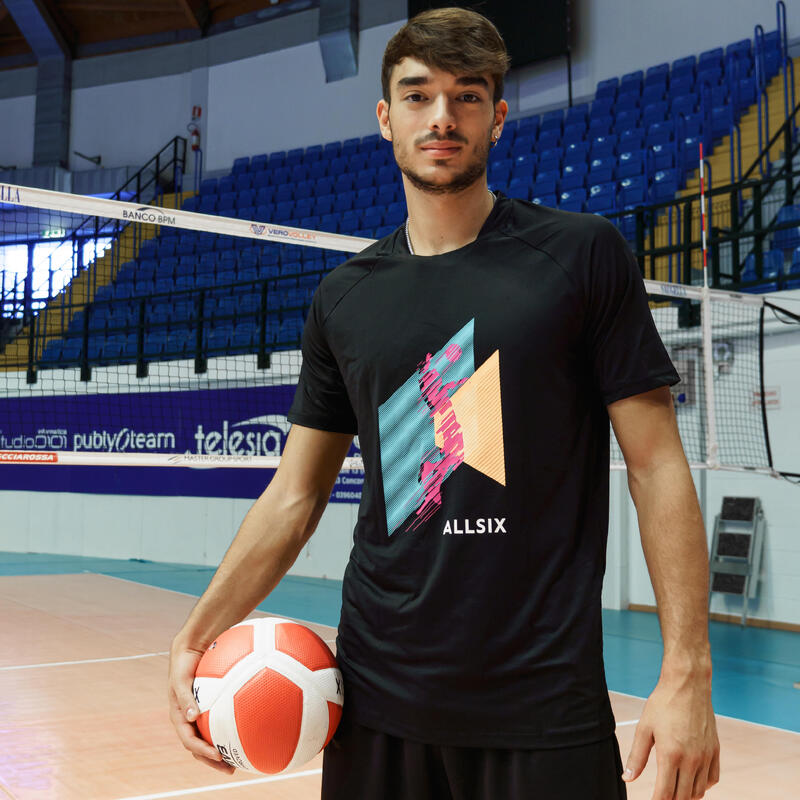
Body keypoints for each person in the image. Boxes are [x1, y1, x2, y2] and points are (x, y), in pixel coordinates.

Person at [168, 8, 720, 799]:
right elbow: (295, 495)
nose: (441, 118)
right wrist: (197, 631)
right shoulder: (343, 298)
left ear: (497, 117)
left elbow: (657, 464)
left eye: (466, 97)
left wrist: (688, 673)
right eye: (418, 95)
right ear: (386, 117)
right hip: (375, 704)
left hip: (542, 706)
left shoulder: (581, 255)